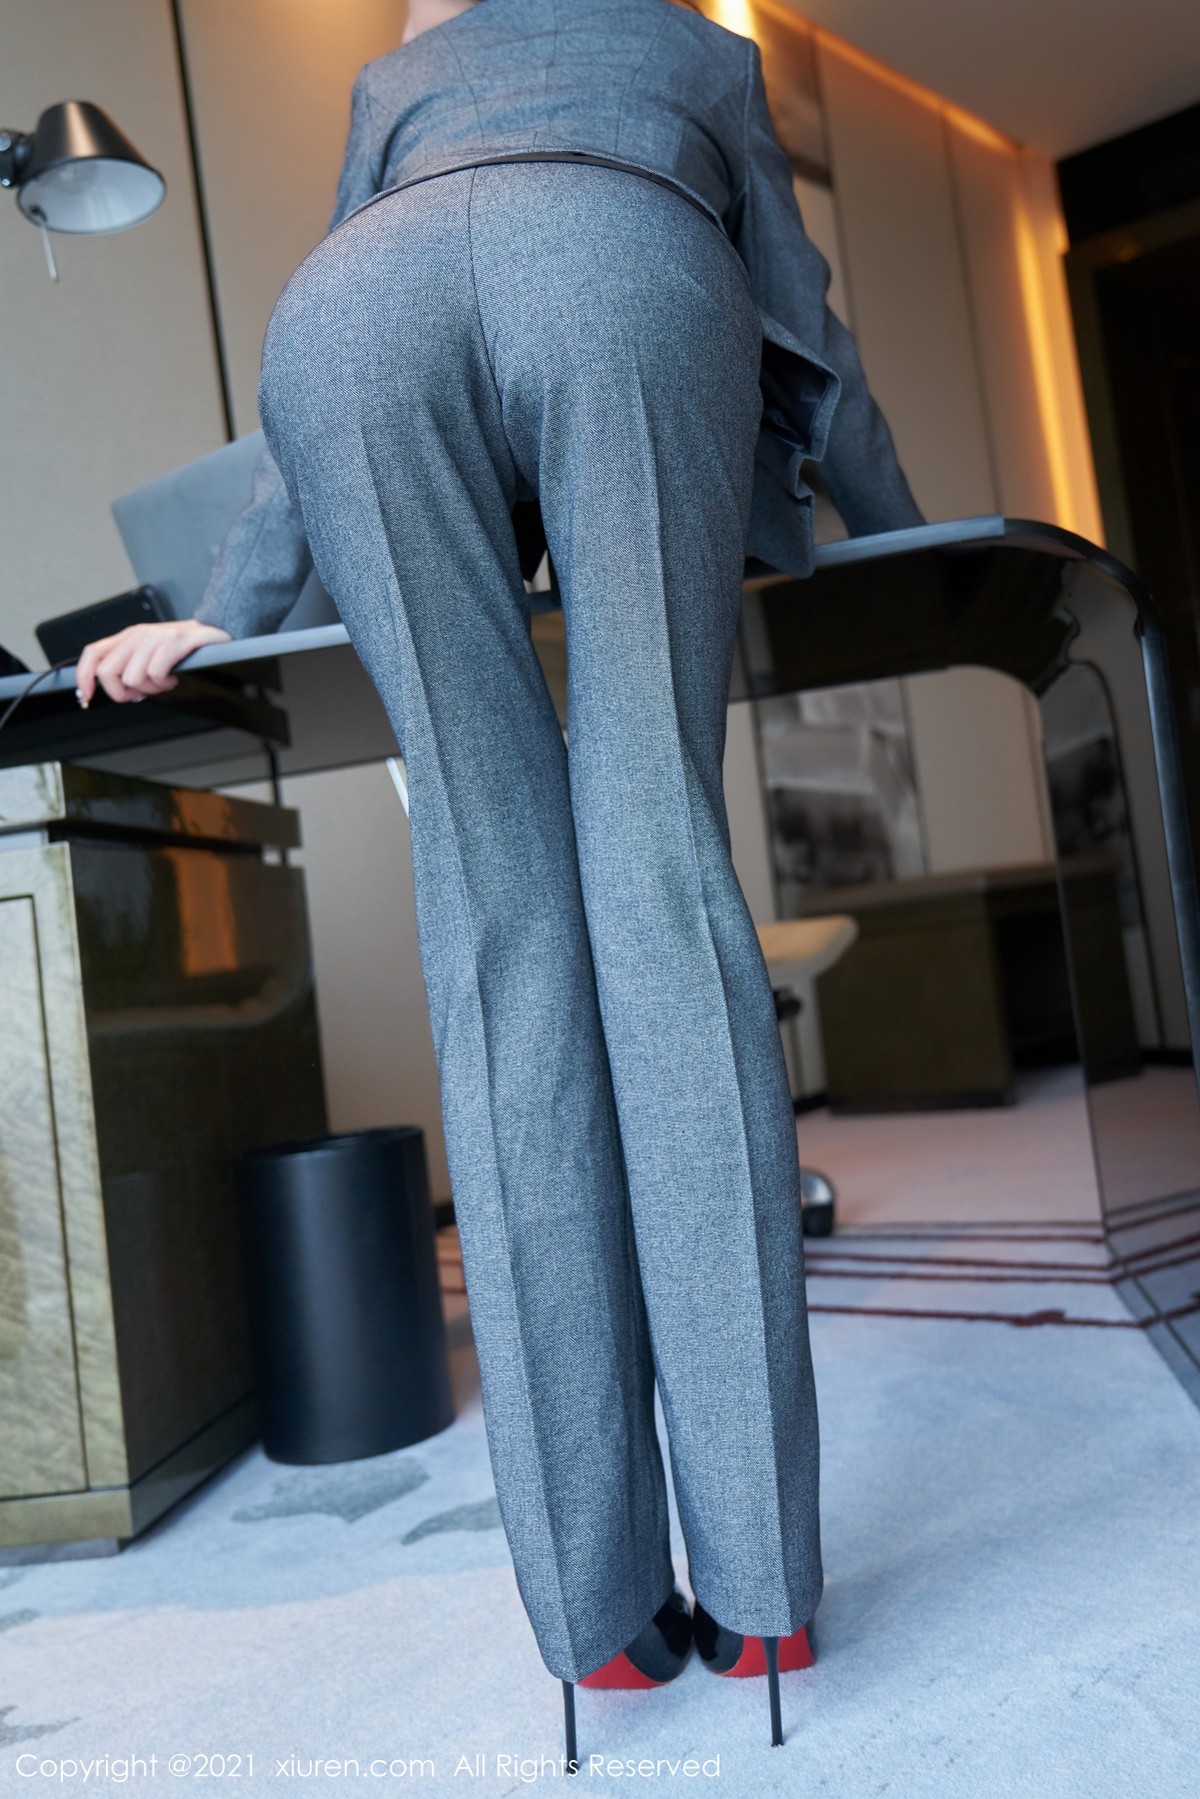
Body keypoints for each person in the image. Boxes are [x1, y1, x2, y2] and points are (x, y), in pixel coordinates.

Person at [76, 0, 921, 1760]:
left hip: (351, 328)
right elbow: (807, 329)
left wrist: (225, 615)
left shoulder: (396, 75)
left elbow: (307, 405)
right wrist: (903, 542)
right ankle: (762, 1594)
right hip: (618, 275)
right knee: (659, 887)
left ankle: (596, 1627)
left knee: (497, 922)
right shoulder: (701, 51)